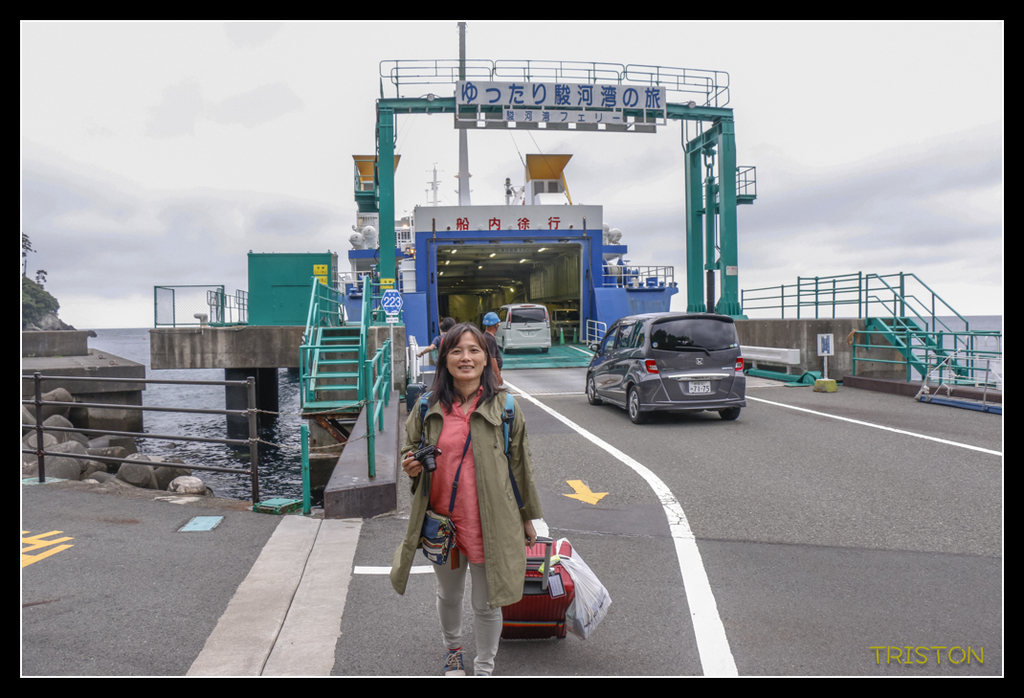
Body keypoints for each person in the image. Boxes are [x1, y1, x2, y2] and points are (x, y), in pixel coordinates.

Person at [391, 323, 542, 677]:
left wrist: (527, 517)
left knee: (488, 602)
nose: (466, 358)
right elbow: (409, 448)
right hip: (443, 520)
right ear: (444, 360)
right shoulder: (427, 405)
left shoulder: (506, 407)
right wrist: (411, 466)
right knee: (449, 594)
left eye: (474, 350)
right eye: (457, 351)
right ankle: (454, 652)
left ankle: (485, 665)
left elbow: (521, 466)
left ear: (486, 359)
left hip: (493, 520)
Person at [481, 311, 503, 387]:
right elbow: (492, 358)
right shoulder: (489, 339)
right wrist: (497, 375)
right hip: (490, 374)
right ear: (496, 325)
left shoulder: (486, 337)